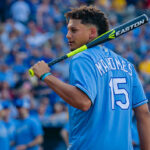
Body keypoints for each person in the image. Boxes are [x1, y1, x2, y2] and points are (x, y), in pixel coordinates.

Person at [30, 5, 150, 150]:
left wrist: (46, 76)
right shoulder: (127, 65)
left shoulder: (82, 58)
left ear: (92, 33)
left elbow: (83, 101)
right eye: (68, 30)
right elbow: (143, 113)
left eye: (73, 30)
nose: (67, 35)